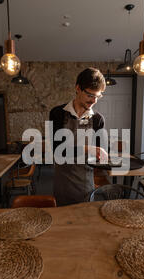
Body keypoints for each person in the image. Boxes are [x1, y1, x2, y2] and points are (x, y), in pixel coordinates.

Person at [49, 67, 108, 206]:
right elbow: (59, 151)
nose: (93, 100)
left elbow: (100, 152)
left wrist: (104, 156)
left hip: (85, 183)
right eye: (89, 95)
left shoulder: (98, 119)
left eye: (97, 96)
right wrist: (89, 148)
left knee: (86, 221)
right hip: (62, 182)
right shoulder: (57, 113)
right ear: (78, 88)